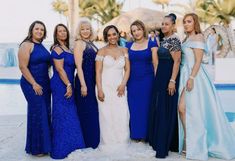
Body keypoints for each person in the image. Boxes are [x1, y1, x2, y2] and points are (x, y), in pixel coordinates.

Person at [178, 13, 235, 160]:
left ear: (195, 22)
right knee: (186, 110)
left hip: (194, 76)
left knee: (185, 109)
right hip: (185, 75)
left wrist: (191, 78)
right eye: (184, 22)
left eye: (189, 21)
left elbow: (197, 61)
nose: (186, 24)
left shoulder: (198, 37)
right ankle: (189, 141)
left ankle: (192, 143)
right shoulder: (187, 38)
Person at [148, 13, 181, 158]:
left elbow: (177, 61)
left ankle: (165, 145)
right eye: (162, 23)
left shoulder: (174, 40)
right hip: (161, 77)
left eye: (167, 24)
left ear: (173, 26)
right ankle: (161, 141)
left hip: (168, 77)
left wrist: (172, 80)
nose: (163, 26)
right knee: (160, 107)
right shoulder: (165, 39)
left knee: (166, 109)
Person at [50, 24, 85, 159]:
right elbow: (59, 69)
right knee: (61, 114)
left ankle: (73, 145)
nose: (63, 33)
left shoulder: (68, 49)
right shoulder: (57, 49)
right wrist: (68, 84)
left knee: (70, 114)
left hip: (69, 83)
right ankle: (61, 148)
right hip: (61, 84)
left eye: (64, 31)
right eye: (60, 31)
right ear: (56, 34)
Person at [18, 20, 51, 156]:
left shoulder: (42, 46)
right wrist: (34, 84)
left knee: (45, 112)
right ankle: (36, 148)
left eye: (42, 30)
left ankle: (45, 145)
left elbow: (47, 64)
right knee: (38, 112)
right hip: (31, 83)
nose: (39, 31)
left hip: (44, 83)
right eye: (37, 29)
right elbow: (22, 67)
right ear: (32, 30)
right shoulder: (26, 45)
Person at [95, 25, 130, 150]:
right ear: (106, 37)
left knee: (122, 113)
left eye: (114, 34)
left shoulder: (124, 50)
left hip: (120, 87)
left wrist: (123, 84)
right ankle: (108, 143)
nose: (112, 37)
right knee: (106, 115)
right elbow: (98, 72)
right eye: (109, 35)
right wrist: (99, 89)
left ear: (118, 34)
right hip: (105, 86)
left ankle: (122, 142)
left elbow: (127, 70)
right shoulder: (101, 51)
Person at [126, 20, 158, 141]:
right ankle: (136, 134)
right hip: (132, 81)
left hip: (148, 80)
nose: (136, 32)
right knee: (133, 107)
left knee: (146, 106)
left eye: (138, 29)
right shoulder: (128, 46)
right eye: (134, 31)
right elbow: (125, 65)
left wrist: (157, 82)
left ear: (143, 30)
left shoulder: (152, 44)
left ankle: (146, 135)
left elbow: (156, 64)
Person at [74, 19, 100, 149]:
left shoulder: (91, 43)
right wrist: (83, 85)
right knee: (86, 110)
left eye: (88, 28)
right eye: (83, 29)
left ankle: (93, 139)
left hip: (92, 79)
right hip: (84, 80)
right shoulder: (79, 43)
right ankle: (88, 141)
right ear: (79, 31)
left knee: (92, 109)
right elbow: (78, 66)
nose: (85, 31)